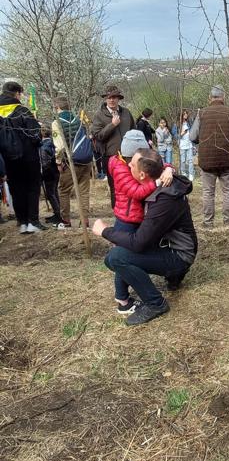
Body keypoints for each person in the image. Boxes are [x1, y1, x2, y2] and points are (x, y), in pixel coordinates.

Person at [92, 149, 197, 326]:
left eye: (131, 164)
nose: (128, 165)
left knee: (116, 257)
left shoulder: (164, 200)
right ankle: (173, 277)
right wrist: (169, 169)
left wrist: (105, 231)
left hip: (180, 255)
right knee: (120, 253)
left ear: (142, 174)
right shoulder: (160, 185)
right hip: (168, 247)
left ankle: (156, 303)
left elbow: (139, 243)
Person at [108, 129, 173, 313]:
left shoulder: (132, 161)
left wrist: (168, 168)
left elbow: (155, 164)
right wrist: (157, 182)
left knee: (131, 256)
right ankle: (122, 299)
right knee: (122, 257)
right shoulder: (120, 167)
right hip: (126, 220)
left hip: (138, 217)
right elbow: (135, 192)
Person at [0, 80, 42, 233]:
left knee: (16, 189)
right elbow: (35, 135)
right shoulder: (22, 110)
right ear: (17, 93)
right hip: (28, 158)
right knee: (31, 187)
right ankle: (33, 221)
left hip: (7, 160)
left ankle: (21, 221)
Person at [192, 87, 229, 228]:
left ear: (209, 97)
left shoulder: (202, 113)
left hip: (207, 161)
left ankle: (208, 223)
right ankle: (227, 223)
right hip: (227, 159)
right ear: (223, 97)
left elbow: (192, 136)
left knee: (208, 193)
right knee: (228, 191)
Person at [52, 96, 93, 230]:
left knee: (63, 190)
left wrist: (58, 162)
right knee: (84, 191)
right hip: (86, 160)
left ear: (57, 107)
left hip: (70, 162)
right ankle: (85, 221)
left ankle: (66, 220)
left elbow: (59, 146)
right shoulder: (79, 119)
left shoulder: (56, 122)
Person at [91, 85, 135, 207]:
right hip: (110, 157)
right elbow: (98, 136)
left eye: (114, 97)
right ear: (105, 99)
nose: (112, 100)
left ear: (118, 99)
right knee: (114, 187)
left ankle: (130, 211)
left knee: (130, 184)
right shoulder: (99, 115)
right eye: (109, 97)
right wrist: (112, 125)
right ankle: (118, 213)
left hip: (128, 156)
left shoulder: (126, 113)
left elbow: (134, 131)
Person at [40, 124, 62, 226]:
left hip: (49, 173)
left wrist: (42, 173)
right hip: (55, 171)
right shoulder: (52, 143)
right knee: (54, 192)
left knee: (51, 194)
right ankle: (58, 212)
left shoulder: (43, 147)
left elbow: (45, 163)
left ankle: (58, 214)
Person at [179, 110, 194, 180]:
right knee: (183, 160)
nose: (185, 115)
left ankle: (191, 174)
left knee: (190, 160)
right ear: (181, 115)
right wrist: (182, 133)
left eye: (186, 113)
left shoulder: (189, 123)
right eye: (184, 114)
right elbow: (176, 135)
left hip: (189, 144)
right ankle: (183, 173)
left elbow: (192, 131)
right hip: (182, 145)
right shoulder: (178, 124)